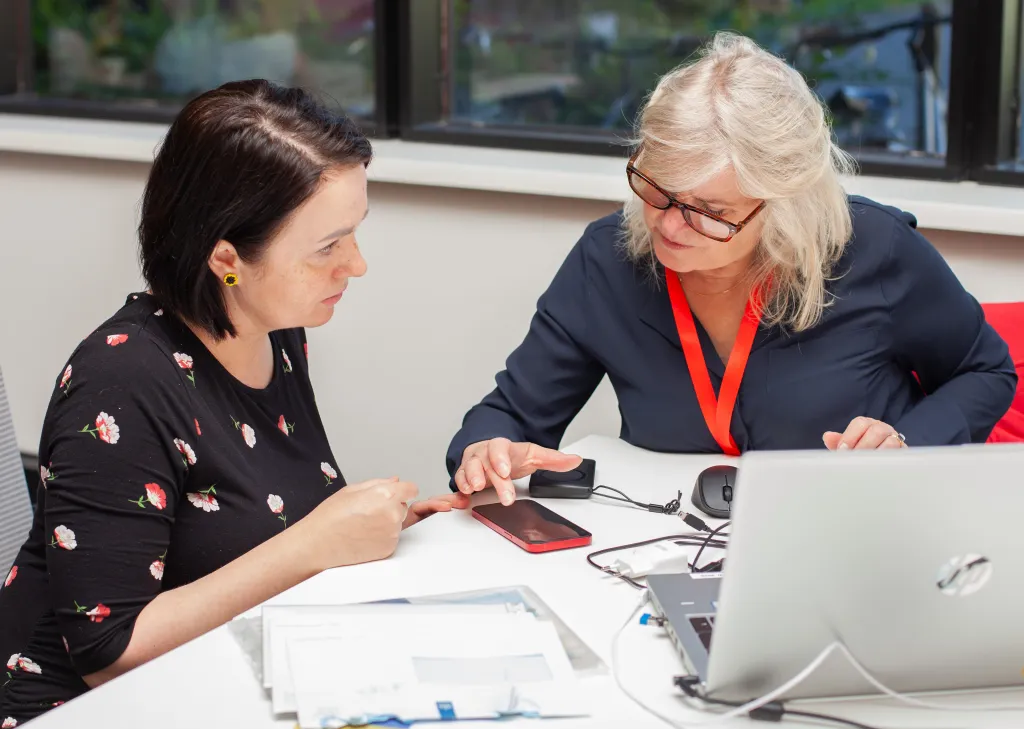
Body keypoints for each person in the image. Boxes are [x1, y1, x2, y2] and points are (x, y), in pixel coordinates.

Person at [0, 79, 468, 724]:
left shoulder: (275, 333)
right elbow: (107, 653)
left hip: (224, 674)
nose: (355, 265)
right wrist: (314, 544)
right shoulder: (119, 383)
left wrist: (381, 526)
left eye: (353, 235)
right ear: (226, 259)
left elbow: (255, 518)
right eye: (327, 247)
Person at [446, 32, 1017, 505]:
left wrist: (906, 444)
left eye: (709, 213)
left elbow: (986, 372)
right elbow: (513, 414)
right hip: (662, 544)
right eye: (657, 190)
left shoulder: (875, 250)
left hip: (852, 529)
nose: (669, 227)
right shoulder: (608, 260)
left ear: (785, 204)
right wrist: (486, 450)